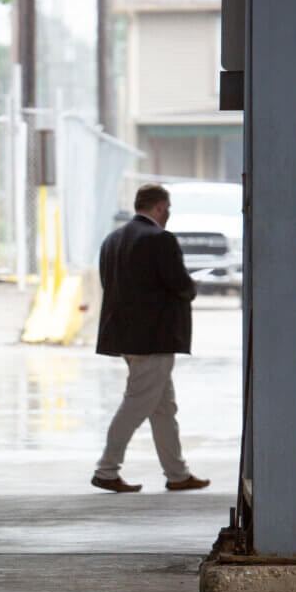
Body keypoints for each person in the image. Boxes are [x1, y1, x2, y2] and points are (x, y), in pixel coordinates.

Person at [93, 183, 209, 493]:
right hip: (154, 339)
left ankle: (177, 473)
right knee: (135, 405)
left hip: (126, 338)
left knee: (162, 408)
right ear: (158, 207)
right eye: (167, 209)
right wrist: (192, 285)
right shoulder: (160, 240)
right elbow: (179, 284)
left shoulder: (112, 239)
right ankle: (106, 470)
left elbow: (111, 284)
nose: (168, 215)